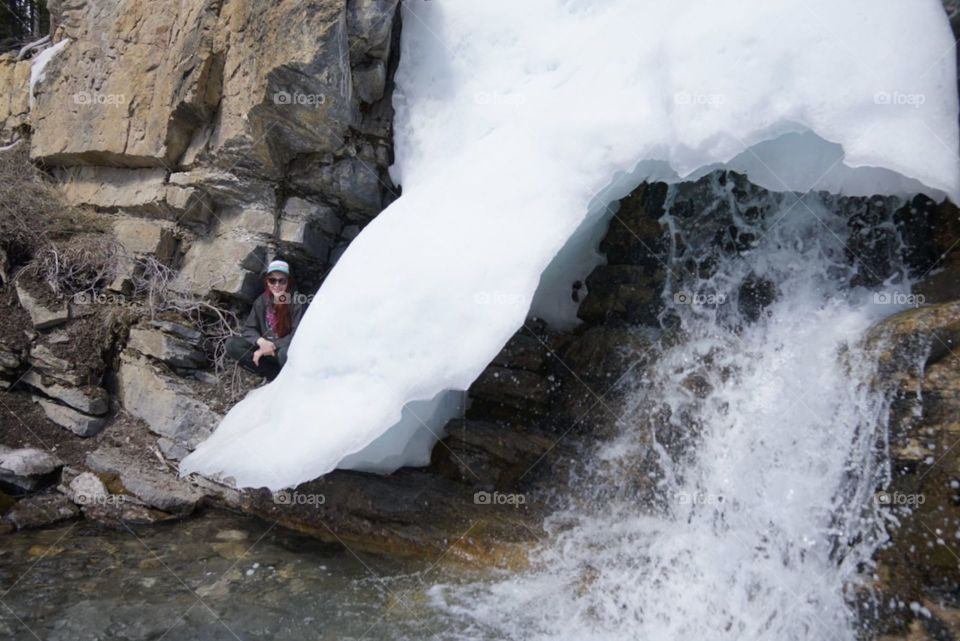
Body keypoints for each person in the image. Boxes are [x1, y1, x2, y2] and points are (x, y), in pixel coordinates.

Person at [225, 260, 305, 381]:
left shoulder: (297, 301)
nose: (276, 285)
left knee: (286, 353)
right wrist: (261, 342)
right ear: (267, 281)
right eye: (272, 280)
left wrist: (270, 346)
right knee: (233, 344)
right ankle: (273, 376)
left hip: (283, 351)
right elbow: (249, 329)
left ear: (288, 281)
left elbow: (297, 334)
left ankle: (291, 381)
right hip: (267, 350)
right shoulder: (261, 301)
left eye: (281, 280)